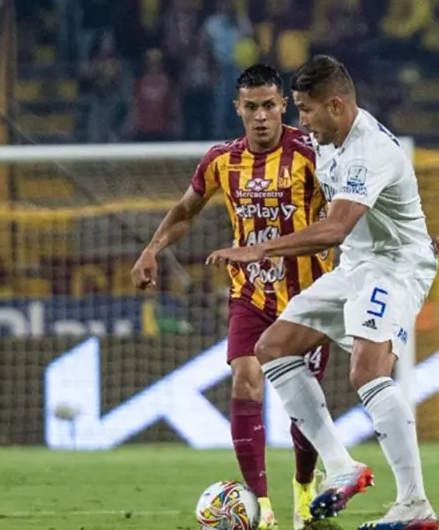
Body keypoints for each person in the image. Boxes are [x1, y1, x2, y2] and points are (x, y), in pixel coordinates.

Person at [206, 55, 439, 530]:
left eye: (306, 110)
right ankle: (342, 467)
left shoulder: (368, 149)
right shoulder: (327, 139)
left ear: (336, 105)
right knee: (271, 347)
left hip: (394, 268)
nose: (301, 120)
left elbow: (333, 229)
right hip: (356, 263)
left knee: (367, 369)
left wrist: (259, 250)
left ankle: (415, 504)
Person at [131, 63, 331, 530]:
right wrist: (152, 249)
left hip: (308, 298)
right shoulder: (222, 160)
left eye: (269, 105)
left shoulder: (312, 153)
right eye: (251, 107)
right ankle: (261, 510)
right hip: (249, 294)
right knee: (245, 380)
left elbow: (351, 211)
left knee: (304, 406)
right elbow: (186, 210)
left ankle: (304, 488)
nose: (261, 116)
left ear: (284, 105)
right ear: (237, 108)